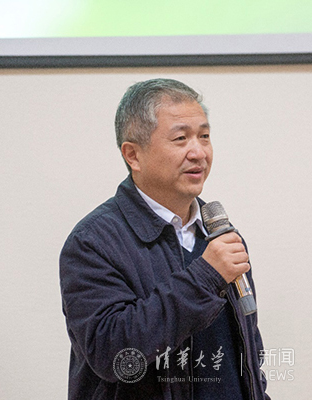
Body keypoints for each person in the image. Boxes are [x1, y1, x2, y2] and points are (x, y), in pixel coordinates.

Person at [59, 78, 269, 399]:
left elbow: (248, 350)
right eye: (181, 138)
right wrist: (206, 276)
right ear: (133, 155)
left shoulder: (220, 235)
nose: (198, 152)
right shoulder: (92, 242)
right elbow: (114, 356)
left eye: (204, 136)